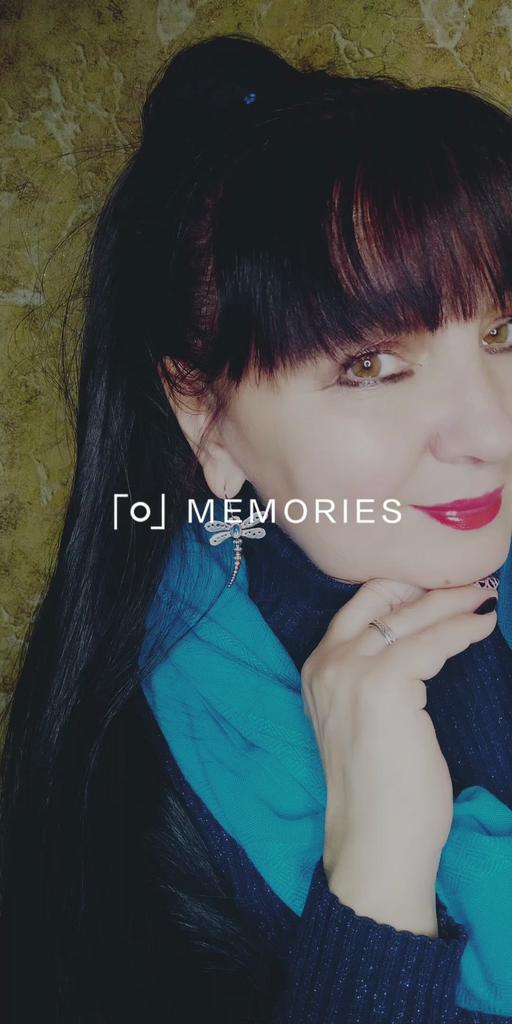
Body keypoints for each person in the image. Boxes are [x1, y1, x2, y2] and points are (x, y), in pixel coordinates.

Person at [1, 32, 512, 1024]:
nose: (493, 431)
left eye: (502, 330)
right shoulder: (133, 801)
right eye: (371, 365)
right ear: (203, 410)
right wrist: (375, 871)